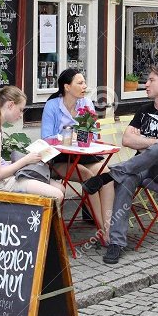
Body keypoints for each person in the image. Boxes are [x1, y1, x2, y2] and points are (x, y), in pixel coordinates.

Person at [80, 65, 158, 265]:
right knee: (128, 177)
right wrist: (154, 140)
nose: (145, 84)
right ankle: (116, 243)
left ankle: (108, 176)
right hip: (139, 168)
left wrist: (149, 142)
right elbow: (127, 140)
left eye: (151, 80)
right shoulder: (144, 110)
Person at [42, 68, 114, 242]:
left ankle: (108, 228)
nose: (85, 86)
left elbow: (94, 135)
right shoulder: (52, 106)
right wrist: (66, 136)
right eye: (80, 83)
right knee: (88, 176)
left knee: (107, 175)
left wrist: (82, 135)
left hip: (84, 155)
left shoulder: (86, 103)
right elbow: (45, 139)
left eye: (84, 82)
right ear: (67, 87)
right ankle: (101, 229)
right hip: (59, 158)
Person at [0, 86, 64, 199]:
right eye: (20, 109)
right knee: (57, 194)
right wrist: (26, 160)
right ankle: (41, 216)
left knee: (60, 188)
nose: (21, 115)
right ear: (10, 105)